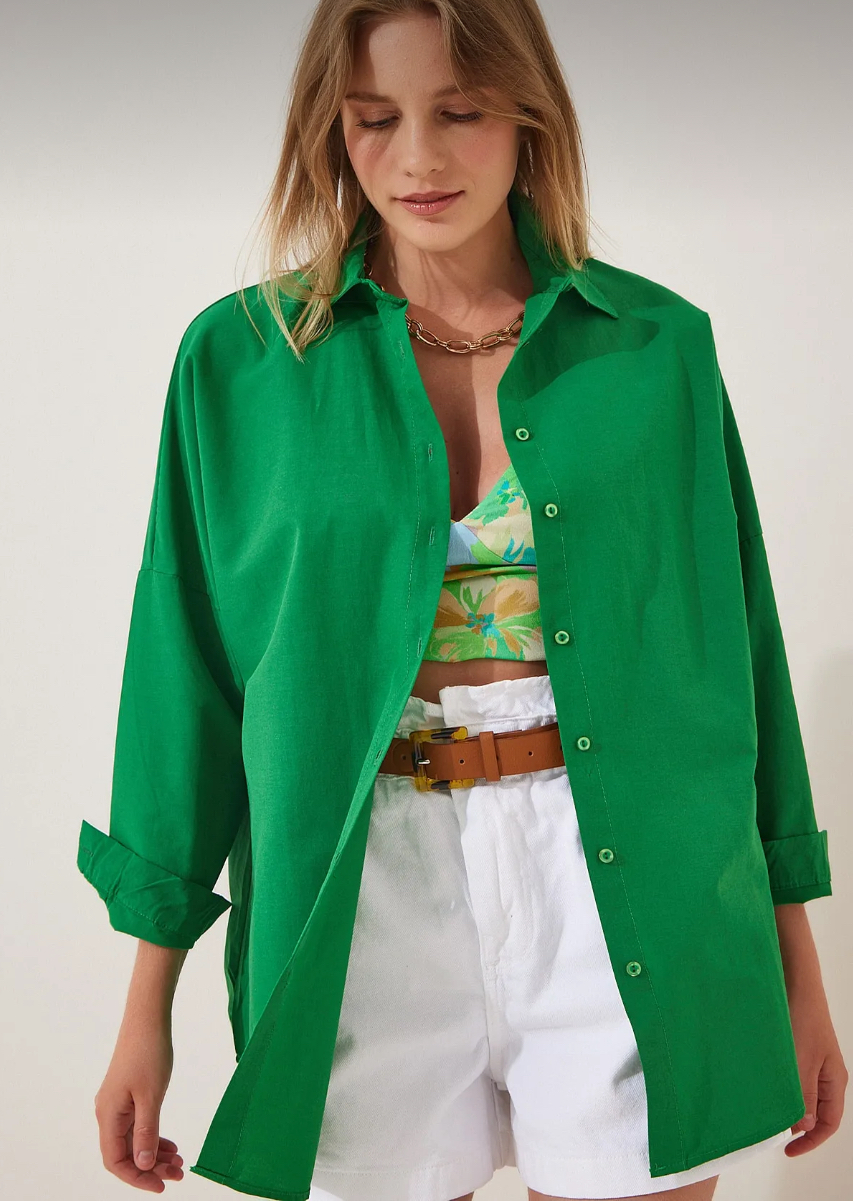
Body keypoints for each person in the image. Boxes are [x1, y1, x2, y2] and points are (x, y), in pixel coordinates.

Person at [77, 1, 846, 1200]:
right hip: (356, 893)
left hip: (627, 882)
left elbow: (735, 656)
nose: (418, 159)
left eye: (460, 111)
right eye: (374, 119)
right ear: (330, 130)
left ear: (527, 116)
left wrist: (798, 972)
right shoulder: (240, 362)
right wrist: (145, 1007)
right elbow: (184, 674)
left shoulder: (654, 348)